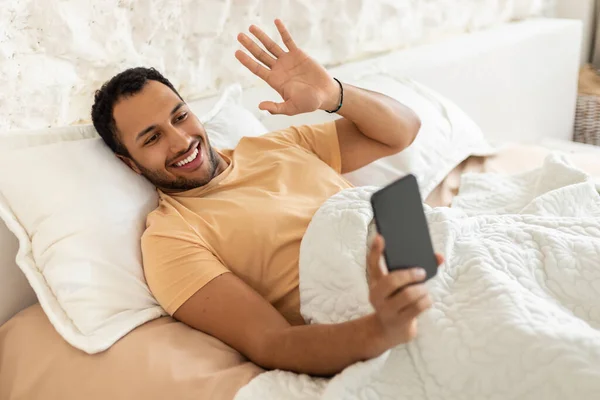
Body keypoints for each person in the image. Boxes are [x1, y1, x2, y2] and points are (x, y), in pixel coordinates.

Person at [91, 19, 443, 376]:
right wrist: (382, 328)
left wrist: (334, 95)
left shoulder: (275, 145)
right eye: (152, 139)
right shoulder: (171, 238)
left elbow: (402, 131)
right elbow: (271, 343)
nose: (181, 141)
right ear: (129, 163)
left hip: (433, 262)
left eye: (180, 117)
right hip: (379, 317)